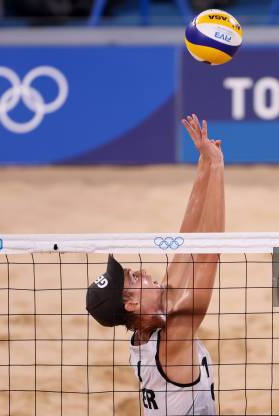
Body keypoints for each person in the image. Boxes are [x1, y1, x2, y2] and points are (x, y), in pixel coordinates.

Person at [86, 114, 225, 415]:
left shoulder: (146, 333)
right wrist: (217, 167)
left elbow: (187, 240)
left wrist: (203, 165)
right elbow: (209, 253)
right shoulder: (175, 332)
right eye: (134, 278)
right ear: (132, 303)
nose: (144, 273)